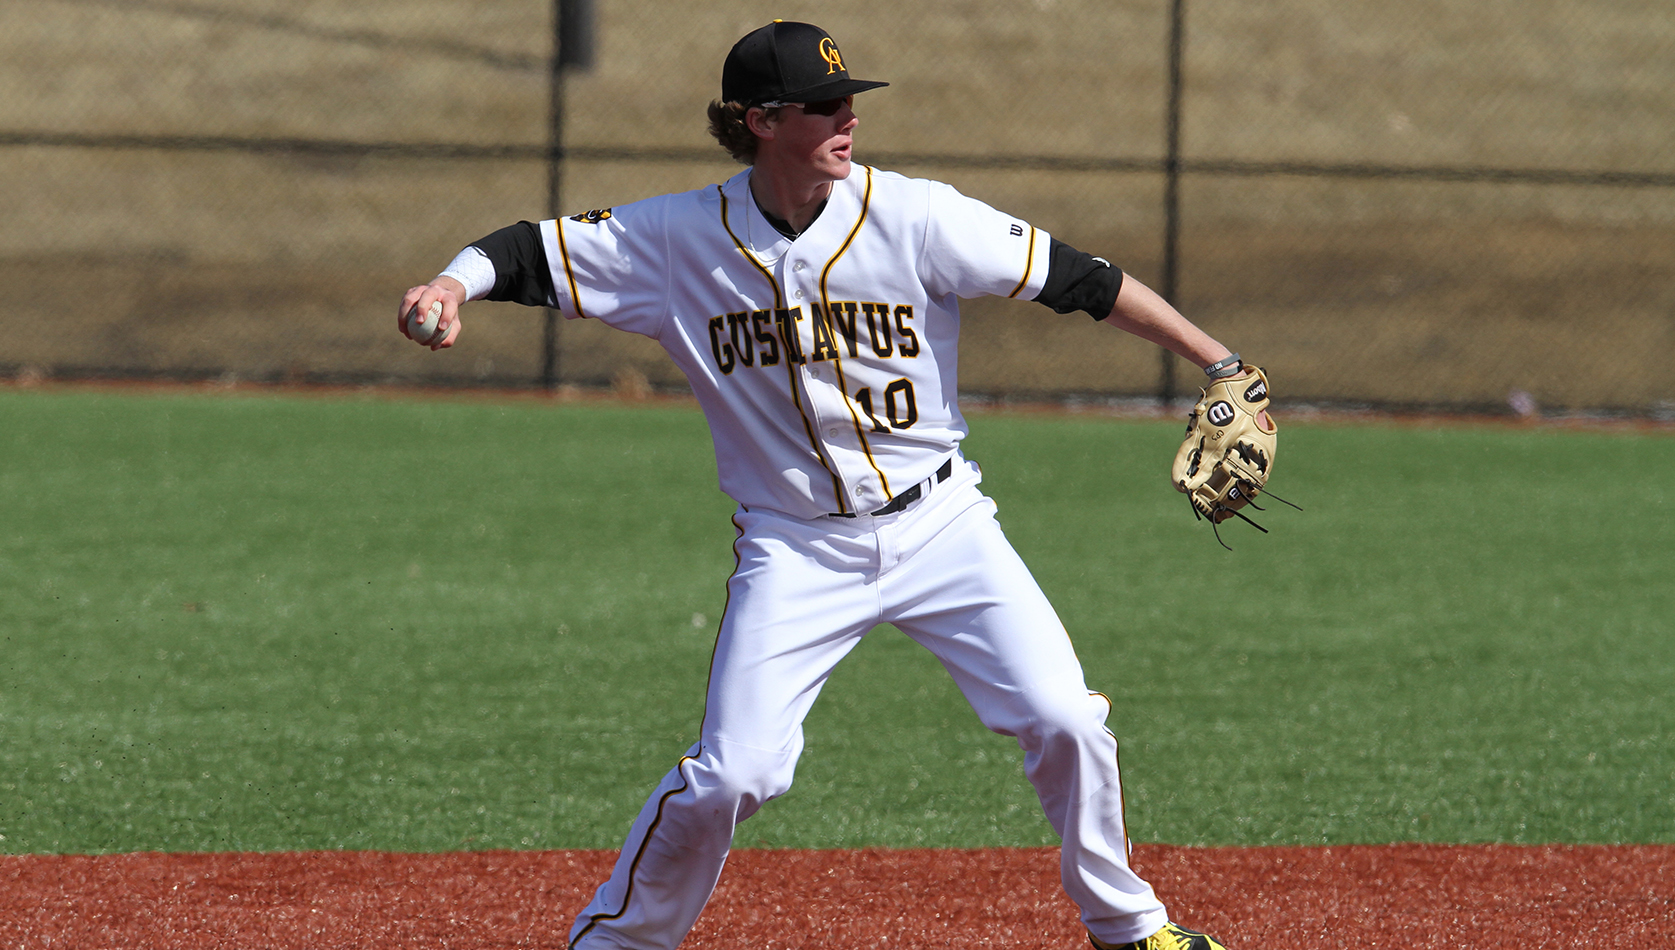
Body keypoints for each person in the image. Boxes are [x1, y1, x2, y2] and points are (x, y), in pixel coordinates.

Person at [399, 21, 1251, 950]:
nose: (849, 118)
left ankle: (1131, 932)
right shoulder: (677, 238)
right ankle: (616, 942)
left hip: (943, 525)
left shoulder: (917, 215)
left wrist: (1220, 362)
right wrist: (449, 286)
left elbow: (1080, 279)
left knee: (1064, 719)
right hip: (794, 544)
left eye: (850, 101)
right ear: (761, 121)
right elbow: (526, 251)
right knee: (733, 776)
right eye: (825, 105)